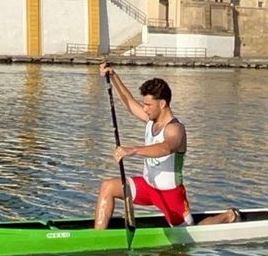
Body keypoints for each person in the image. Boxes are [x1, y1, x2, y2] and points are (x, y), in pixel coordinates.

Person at [94, 63, 238, 229]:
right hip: (148, 186)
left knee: (189, 231)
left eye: (148, 105)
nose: (145, 108)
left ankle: (228, 216)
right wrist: (113, 77)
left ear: (162, 104)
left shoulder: (176, 129)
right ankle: (98, 237)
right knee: (108, 187)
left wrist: (133, 150)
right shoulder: (151, 119)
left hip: (170, 193)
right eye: (145, 104)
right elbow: (130, 103)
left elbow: (166, 148)